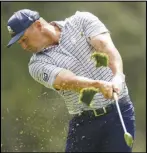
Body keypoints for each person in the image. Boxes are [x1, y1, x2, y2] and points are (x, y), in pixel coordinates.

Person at [7, 9, 136, 152]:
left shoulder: (81, 21)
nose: (24, 47)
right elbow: (67, 81)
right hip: (84, 122)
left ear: (38, 25)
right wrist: (98, 85)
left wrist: (118, 75)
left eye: (24, 39)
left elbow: (105, 47)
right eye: (20, 43)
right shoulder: (36, 65)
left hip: (119, 113)